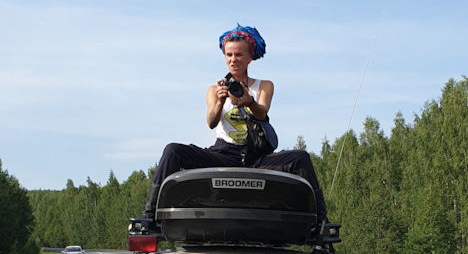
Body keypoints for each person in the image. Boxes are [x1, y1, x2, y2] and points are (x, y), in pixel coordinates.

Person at [139, 24, 329, 224]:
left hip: (257, 157)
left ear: (249, 57)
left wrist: (249, 101)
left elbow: (263, 112)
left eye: (238, 55)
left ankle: (321, 221)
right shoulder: (214, 89)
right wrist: (221, 101)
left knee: (301, 158)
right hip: (223, 154)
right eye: (229, 55)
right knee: (173, 150)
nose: (233, 59)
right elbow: (211, 123)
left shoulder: (264, 86)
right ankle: (150, 216)